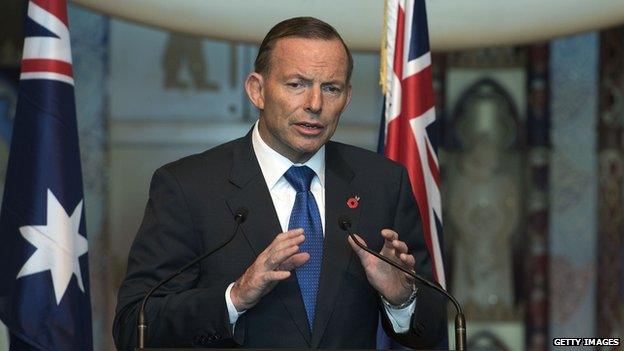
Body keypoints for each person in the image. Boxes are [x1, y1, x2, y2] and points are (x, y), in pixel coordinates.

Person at [113, 16, 446, 350]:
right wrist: (236, 296)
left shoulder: (383, 182)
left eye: (331, 88)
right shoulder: (188, 187)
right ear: (257, 90)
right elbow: (134, 326)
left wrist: (402, 298)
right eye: (296, 84)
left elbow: (433, 328)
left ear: (347, 98)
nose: (315, 104)